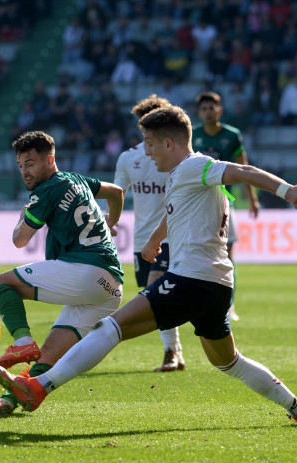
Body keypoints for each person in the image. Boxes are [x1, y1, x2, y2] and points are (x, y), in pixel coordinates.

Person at [0, 105, 297, 427]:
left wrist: (287, 191)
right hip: (217, 283)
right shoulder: (184, 177)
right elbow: (178, 211)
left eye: (150, 145)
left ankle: (39, 387)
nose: (147, 153)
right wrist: (155, 239)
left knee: (109, 328)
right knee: (230, 362)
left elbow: (243, 170)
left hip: (191, 277)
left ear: (169, 143)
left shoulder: (196, 166)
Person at [0, 131, 125, 414]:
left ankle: (22, 343)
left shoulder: (45, 191)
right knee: (49, 352)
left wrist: (26, 212)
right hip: (111, 288)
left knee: (0, 283)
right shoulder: (78, 179)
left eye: (31, 163)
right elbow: (117, 192)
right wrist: (112, 222)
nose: (25, 171)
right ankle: (15, 398)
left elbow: (20, 240)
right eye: (21, 165)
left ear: (50, 160)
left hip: (86, 268)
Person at [113, 94, 184, 372]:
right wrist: (112, 220)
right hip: (142, 240)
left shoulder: (176, 156)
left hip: (172, 237)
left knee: (155, 294)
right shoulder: (129, 158)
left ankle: (170, 353)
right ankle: (176, 352)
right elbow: (118, 193)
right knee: (153, 296)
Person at [192, 91, 260, 321]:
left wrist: (252, 199)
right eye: (204, 109)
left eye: (212, 108)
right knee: (198, 254)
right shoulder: (193, 135)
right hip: (199, 203)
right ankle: (201, 301)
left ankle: (229, 304)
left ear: (220, 110)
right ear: (199, 112)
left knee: (228, 256)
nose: (208, 112)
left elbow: (244, 169)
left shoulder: (232, 136)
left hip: (224, 203)